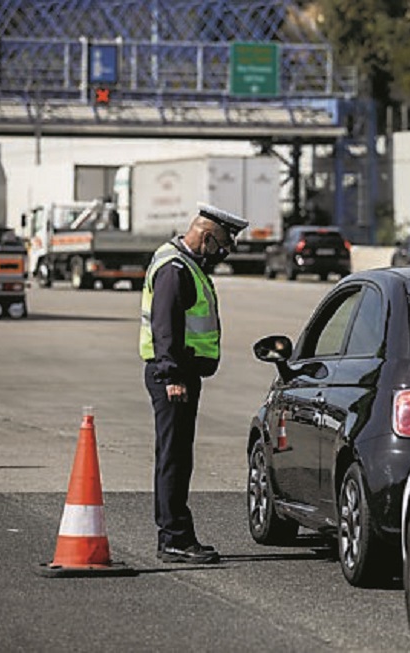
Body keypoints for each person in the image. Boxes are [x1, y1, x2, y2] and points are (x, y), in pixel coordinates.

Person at [139, 202, 247, 564]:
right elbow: (164, 326)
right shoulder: (174, 269)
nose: (222, 253)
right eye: (221, 245)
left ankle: (175, 534)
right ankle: (174, 538)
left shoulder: (186, 264)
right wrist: (172, 376)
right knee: (173, 458)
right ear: (204, 235)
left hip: (181, 374)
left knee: (178, 457)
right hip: (173, 376)